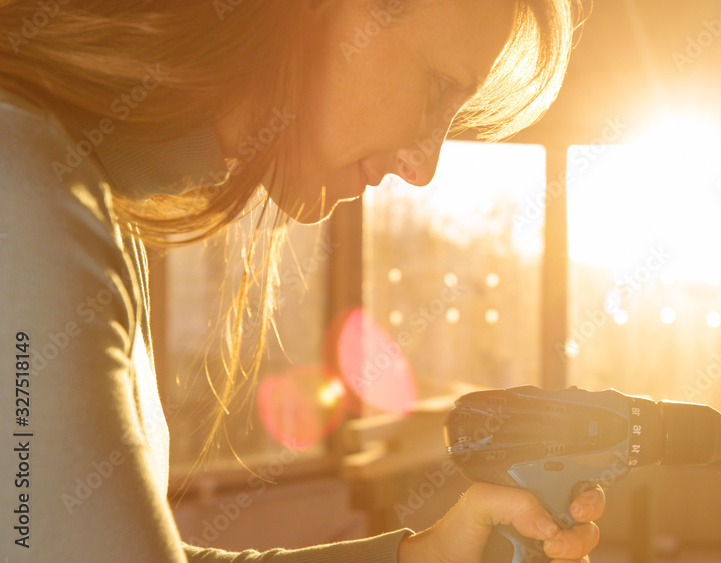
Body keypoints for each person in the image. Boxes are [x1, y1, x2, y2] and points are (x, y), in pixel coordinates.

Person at [0, 0, 605, 561]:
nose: (423, 168)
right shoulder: (28, 196)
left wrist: (422, 557)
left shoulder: (81, 194)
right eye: (440, 87)